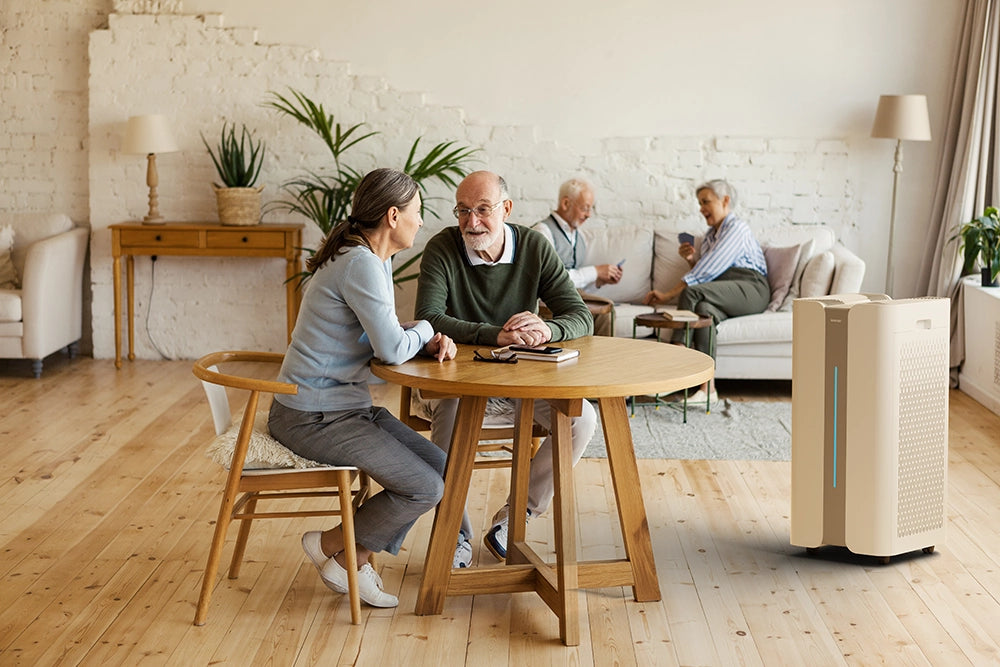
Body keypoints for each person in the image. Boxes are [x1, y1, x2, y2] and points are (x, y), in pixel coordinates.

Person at [268, 168, 457, 609]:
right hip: (312, 416)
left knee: (441, 467)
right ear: (393, 216)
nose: (422, 221)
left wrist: (415, 336)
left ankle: (345, 555)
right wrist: (427, 326)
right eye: (417, 211)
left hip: (342, 408)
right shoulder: (360, 263)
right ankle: (340, 549)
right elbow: (391, 349)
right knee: (424, 487)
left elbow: (384, 332)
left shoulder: (370, 258)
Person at [414, 170, 597, 566]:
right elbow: (428, 317)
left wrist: (548, 327)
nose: (471, 221)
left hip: (521, 382)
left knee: (583, 419)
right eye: (463, 211)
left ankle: (516, 516)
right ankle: (455, 533)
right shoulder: (442, 248)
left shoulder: (533, 246)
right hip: (457, 385)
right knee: (450, 416)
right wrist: (494, 334)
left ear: (507, 209)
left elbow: (581, 317)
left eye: (483, 210)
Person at [643, 179, 769, 403]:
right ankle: (708, 389)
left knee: (691, 294)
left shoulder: (736, 228)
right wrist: (692, 259)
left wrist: (667, 295)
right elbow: (708, 275)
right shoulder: (711, 236)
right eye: (699, 203)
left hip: (751, 288)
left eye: (706, 202)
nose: (701, 208)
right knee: (703, 310)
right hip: (727, 290)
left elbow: (705, 274)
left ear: (725, 201)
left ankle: (672, 371)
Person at [533, 178, 622, 336]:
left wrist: (599, 280)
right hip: (549, 300)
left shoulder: (579, 237)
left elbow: (577, 284)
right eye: (585, 208)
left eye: (590, 209)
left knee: (606, 310)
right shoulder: (542, 232)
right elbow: (548, 280)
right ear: (566, 203)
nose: (588, 215)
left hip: (571, 296)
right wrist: (595, 271)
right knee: (605, 313)